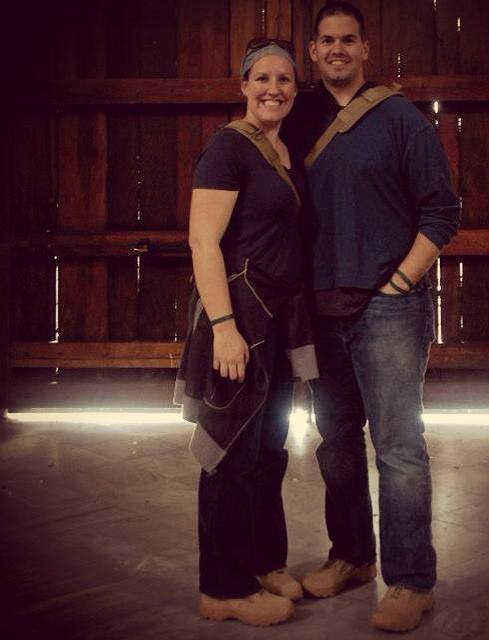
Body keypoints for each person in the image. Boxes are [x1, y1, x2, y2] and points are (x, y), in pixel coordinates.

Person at [281, 2, 460, 633]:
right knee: (336, 446)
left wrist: (401, 281)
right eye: (326, 40)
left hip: (388, 308)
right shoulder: (295, 117)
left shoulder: (400, 119)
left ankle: (411, 581)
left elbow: (442, 211)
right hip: (320, 309)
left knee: (399, 448)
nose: (337, 49)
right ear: (313, 51)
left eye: (348, 39)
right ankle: (353, 557)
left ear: (364, 48)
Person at [174, 37, 317, 627]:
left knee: (267, 450)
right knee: (231, 454)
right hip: (239, 320)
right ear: (243, 86)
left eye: (284, 79)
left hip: (277, 321)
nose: (273, 89)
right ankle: (224, 588)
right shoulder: (228, 148)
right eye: (262, 78)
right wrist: (225, 328)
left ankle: (261, 564)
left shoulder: (283, 151)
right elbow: (202, 241)